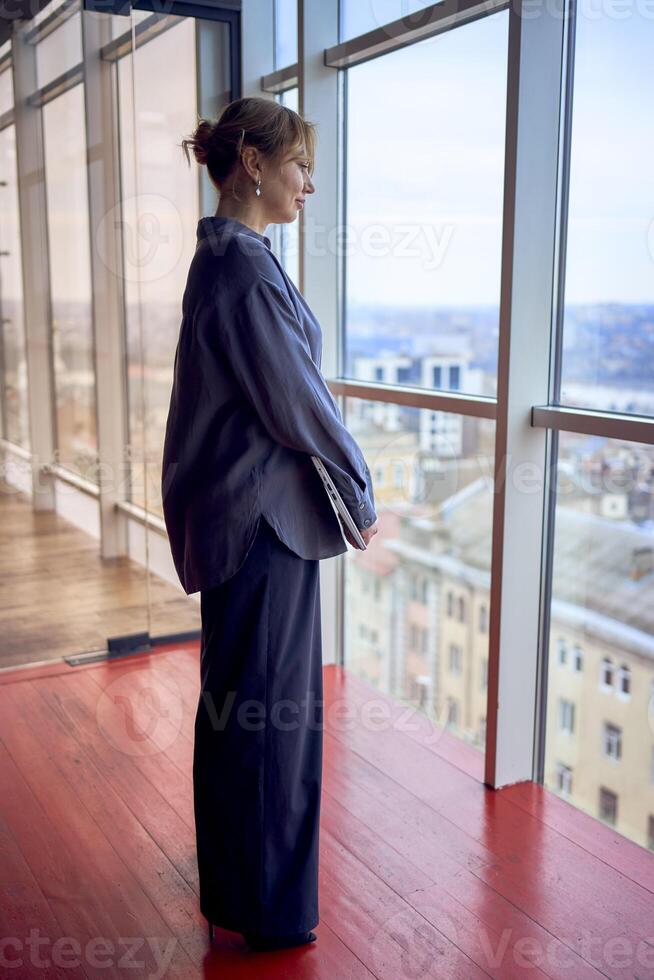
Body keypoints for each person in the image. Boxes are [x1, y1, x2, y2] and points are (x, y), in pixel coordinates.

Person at [161, 96, 378, 954]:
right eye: (298, 167)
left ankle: (243, 895)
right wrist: (358, 489)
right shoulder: (243, 268)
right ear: (251, 163)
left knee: (240, 711)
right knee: (270, 721)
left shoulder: (221, 260)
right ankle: (270, 913)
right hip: (266, 525)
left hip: (245, 521)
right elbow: (298, 402)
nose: (309, 185)